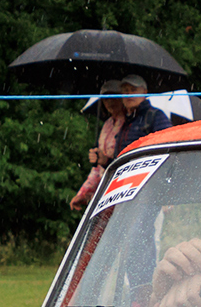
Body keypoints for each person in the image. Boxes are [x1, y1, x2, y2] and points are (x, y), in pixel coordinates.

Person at [70, 74, 173, 208]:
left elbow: (169, 149)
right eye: (125, 91)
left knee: (140, 226)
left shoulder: (154, 116)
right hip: (122, 189)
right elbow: (120, 163)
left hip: (146, 187)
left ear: (145, 93)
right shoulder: (125, 123)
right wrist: (104, 162)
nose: (129, 94)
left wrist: (164, 188)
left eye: (133, 90)